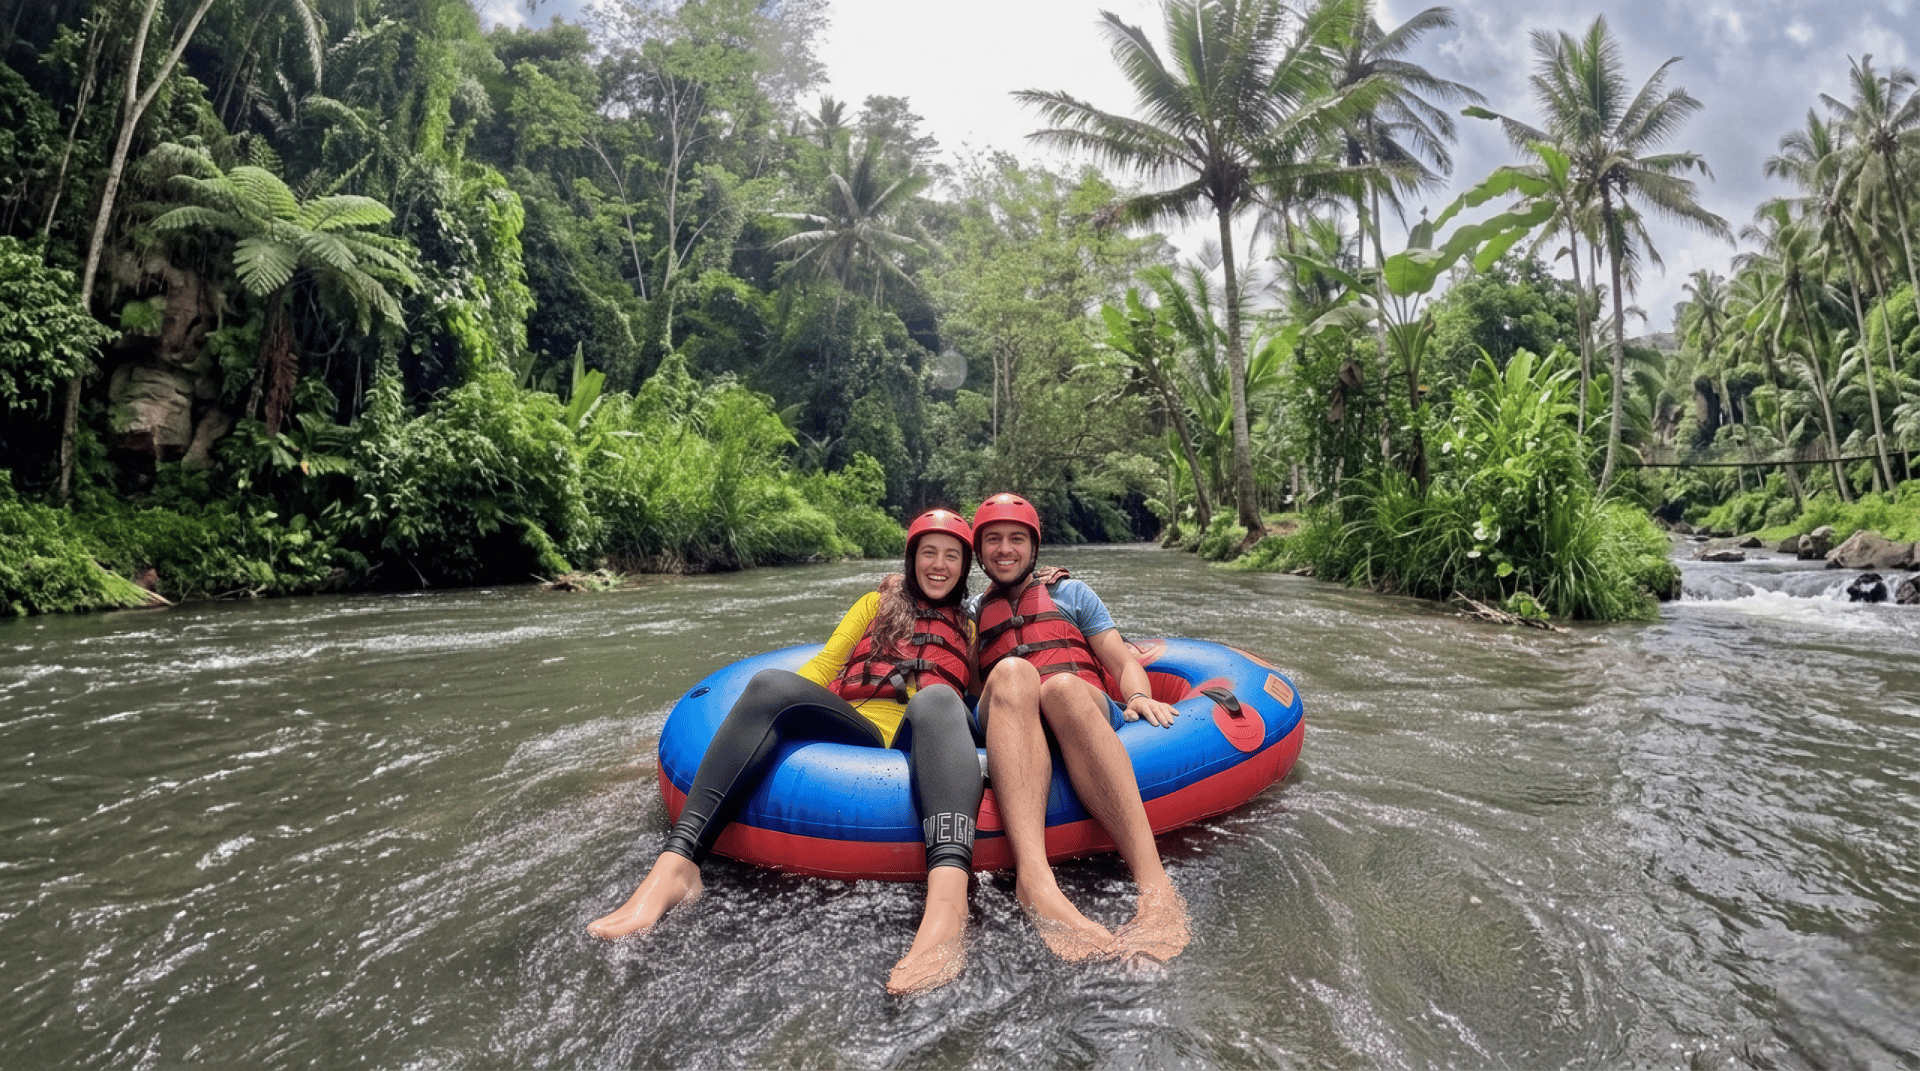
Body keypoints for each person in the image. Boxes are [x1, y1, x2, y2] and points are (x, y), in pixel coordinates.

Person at [588, 509, 985, 995]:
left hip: (921, 733)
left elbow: (980, 701)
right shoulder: (873, 605)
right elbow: (822, 668)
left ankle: (948, 908)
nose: (939, 565)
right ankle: (677, 866)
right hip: (856, 727)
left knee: (939, 697)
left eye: (951, 556)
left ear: (965, 567)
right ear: (911, 558)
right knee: (771, 683)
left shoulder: (968, 630)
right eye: (929, 552)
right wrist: (756, 709)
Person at [967, 492, 1192, 964]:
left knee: (1062, 687)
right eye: (993, 540)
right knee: (1011, 672)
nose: (1005, 549)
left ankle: (1155, 888)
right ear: (979, 550)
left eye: (1015, 539)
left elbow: (1120, 659)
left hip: (1081, 706)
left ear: (1033, 546)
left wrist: (1137, 696)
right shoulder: (971, 614)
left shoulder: (1071, 593)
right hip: (1013, 720)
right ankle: (1036, 881)